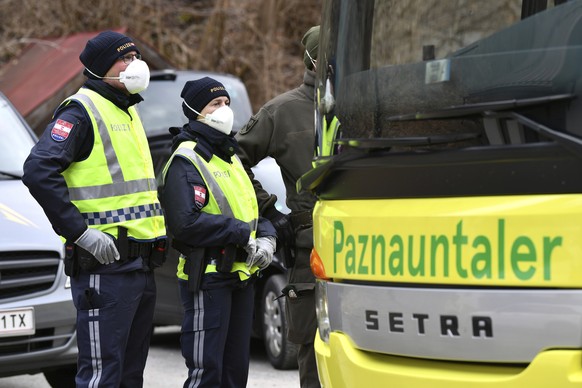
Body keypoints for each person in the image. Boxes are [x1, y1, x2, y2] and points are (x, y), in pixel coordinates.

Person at [22, 30, 167, 387]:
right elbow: (38, 170)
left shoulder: (128, 112)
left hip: (139, 265)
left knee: (130, 376)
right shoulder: (81, 111)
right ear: (103, 68)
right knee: (102, 375)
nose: (136, 65)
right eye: (126, 59)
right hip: (106, 268)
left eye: (136, 57)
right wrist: (80, 233)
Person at [160, 76, 277, 388]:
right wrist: (241, 234)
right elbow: (185, 224)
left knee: (234, 372)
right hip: (209, 278)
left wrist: (266, 235)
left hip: (240, 275)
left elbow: (253, 208)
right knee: (207, 372)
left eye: (226, 103)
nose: (224, 109)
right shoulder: (186, 160)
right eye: (215, 104)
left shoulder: (230, 156)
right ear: (197, 111)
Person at [235, 25, 321, 388]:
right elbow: (233, 159)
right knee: (315, 349)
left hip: (373, 242)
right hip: (312, 247)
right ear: (315, 60)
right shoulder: (282, 111)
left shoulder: (369, 104)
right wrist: (269, 211)